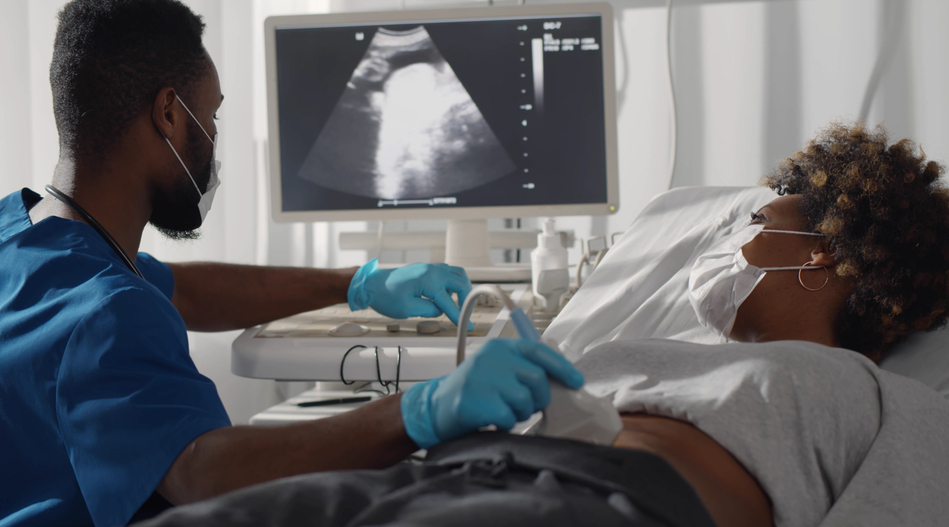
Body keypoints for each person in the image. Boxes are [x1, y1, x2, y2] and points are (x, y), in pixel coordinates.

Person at [133, 123, 949, 527]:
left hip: (589, 507)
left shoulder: (893, 406)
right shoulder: (642, 349)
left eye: (756, 219)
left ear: (826, 251)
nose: (732, 236)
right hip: (443, 478)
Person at [0, 1, 584, 526]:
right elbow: (203, 473)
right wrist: (422, 410)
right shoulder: (105, 315)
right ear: (170, 116)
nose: (214, 141)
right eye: (214, 117)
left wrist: (357, 284)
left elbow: (182, 292)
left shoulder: (24, 234)